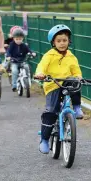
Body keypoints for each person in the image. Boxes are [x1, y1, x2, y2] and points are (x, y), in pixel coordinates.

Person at [34, 24, 83, 154]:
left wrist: (78, 77)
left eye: (65, 40)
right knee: (50, 111)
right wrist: (40, 74)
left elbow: (76, 70)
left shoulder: (71, 56)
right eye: (59, 41)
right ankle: (44, 139)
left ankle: (77, 107)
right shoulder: (49, 55)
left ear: (69, 41)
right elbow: (41, 66)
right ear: (53, 43)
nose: (62, 43)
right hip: (53, 84)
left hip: (66, 83)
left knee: (75, 82)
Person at [6, 27, 34, 92]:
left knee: (27, 67)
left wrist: (32, 53)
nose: (18, 40)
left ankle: (29, 79)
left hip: (22, 61)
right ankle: (14, 86)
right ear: (13, 39)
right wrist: (9, 56)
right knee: (14, 71)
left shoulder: (24, 45)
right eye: (17, 39)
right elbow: (8, 52)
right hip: (14, 61)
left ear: (22, 38)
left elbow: (28, 50)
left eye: (20, 39)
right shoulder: (12, 45)